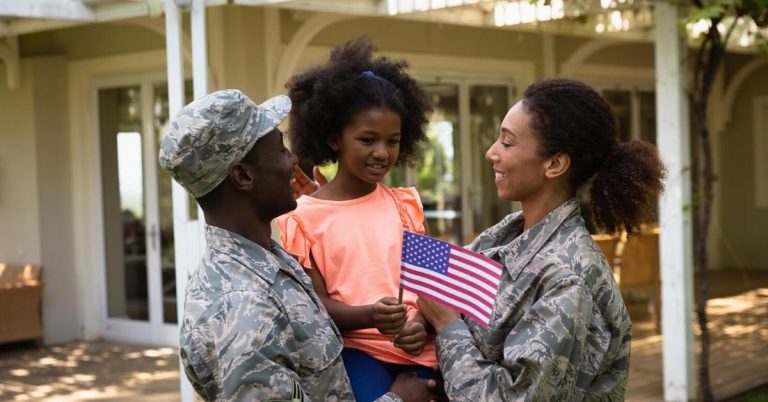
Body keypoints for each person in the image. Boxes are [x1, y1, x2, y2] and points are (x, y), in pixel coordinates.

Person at [159, 89, 437, 401]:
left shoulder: (267, 260)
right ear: (243, 175)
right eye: (280, 151)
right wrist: (398, 400)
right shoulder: (242, 308)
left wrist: (333, 208)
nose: (293, 160)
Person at [416, 78, 665, 400]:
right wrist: (420, 326)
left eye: (507, 143)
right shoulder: (502, 237)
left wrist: (447, 327)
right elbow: (444, 303)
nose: (492, 152)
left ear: (555, 164)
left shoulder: (568, 278)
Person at [274, 37, 438, 402]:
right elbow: (314, 306)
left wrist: (422, 323)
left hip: (419, 347)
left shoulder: (405, 205)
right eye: (367, 139)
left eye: (392, 141)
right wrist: (371, 316)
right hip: (357, 353)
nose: (382, 152)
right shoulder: (302, 219)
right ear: (335, 138)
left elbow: (432, 284)